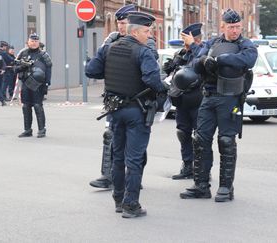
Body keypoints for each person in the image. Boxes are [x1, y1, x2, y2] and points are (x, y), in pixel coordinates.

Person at [86, 12, 167, 218]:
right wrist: (164, 88)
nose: (149, 36)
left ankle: (118, 200)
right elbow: (152, 80)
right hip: (135, 111)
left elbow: (92, 71)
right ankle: (131, 205)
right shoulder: (143, 52)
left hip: (114, 111)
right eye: (147, 31)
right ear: (137, 31)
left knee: (117, 156)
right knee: (134, 159)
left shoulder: (109, 48)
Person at [180, 9, 257, 202]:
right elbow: (197, 62)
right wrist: (204, 60)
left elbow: (248, 60)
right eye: (231, 27)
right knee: (201, 140)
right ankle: (201, 186)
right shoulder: (213, 43)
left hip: (230, 98)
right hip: (209, 97)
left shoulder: (245, 44)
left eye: (238, 26)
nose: (235, 30)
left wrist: (220, 60)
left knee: (226, 142)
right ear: (223, 26)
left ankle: (225, 187)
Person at [89, 4, 136, 189]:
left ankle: (134, 177)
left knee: (134, 143)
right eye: (118, 23)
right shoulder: (112, 40)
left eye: (123, 23)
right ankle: (107, 176)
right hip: (114, 99)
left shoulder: (143, 40)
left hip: (134, 100)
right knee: (110, 136)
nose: (120, 27)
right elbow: (96, 68)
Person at [162, 23, 204, 180]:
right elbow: (170, 72)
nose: (184, 44)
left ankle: (202, 168)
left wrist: (192, 47)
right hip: (181, 102)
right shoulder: (181, 53)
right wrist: (173, 63)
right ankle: (187, 166)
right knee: (182, 134)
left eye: (186, 40)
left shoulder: (202, 52)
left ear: (196, 39)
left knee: (200, 137)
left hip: (198, 101)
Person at [15, 33, 52, 138]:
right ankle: (27, 130)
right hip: (26, 83)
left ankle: (41, 130)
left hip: (38, 85)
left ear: (38, 42)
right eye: (32, 41)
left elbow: (49, 69)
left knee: (37, 106)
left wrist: (47, 84)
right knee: (26, 106)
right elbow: (15, 68)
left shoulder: (44, 55)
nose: (34, 43)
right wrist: (22, 66)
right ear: (28, 41)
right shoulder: (22, 53)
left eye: (36, 41)